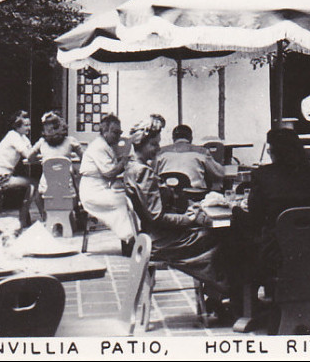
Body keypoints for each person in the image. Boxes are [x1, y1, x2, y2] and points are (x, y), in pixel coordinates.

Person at [123, 170, 230, 313]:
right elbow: (156, 217)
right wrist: (189, 218)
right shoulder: (142, 171)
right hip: (161, 241)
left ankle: (217, 294)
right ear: (140, 146)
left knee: (213, 235)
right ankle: (220, 293)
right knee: (218, 237)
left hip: (152, 236)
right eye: (153, 145)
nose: (156, 148)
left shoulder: (132, 169)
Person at [239, 128, 310, 286]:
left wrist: (237, 211)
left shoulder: (262, 175)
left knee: (237, 240)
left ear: (273, 151)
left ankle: (244, 301)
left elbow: (256, 217)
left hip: (274, 251)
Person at [79, 114, 136, 255]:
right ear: (104, 131)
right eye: (115, 132)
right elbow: (109, 173)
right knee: (124, 202)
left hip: (100, 188)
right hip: (93, 192)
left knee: (129, 199)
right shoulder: (99, 146)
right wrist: (124, 161)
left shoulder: (106, 145)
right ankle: (129, 241)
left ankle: (130, 239)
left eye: (120, 133)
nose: (118, 136)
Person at [0, 110, 38, 227]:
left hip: (6, 174)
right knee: (34, 184)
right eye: (26, 125)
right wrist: (40, 145)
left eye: (29, 124)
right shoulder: (13, 136)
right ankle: (25, 218)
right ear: (17, 126)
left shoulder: (23, 138)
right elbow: (29, 155)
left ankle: (25, 217)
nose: (29, 128)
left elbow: (31, 155)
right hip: (0, 177)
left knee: (32, 184)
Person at [155, 125, 225, 191]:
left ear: (173, 138)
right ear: (191, 138)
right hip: (193, 194)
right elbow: (219, 173)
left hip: (167, 195)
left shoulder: (160, 152)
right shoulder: (201, 152)